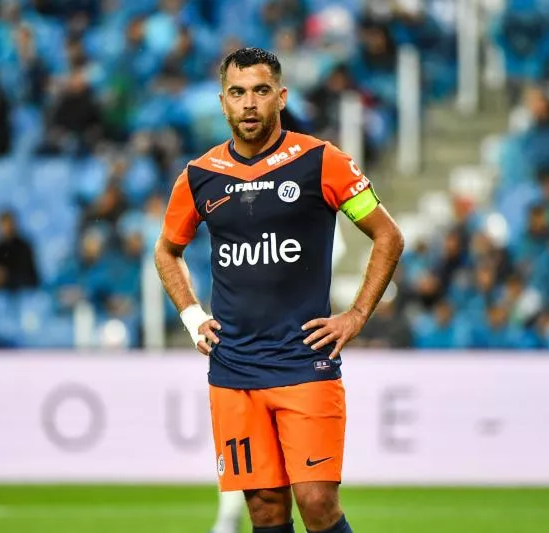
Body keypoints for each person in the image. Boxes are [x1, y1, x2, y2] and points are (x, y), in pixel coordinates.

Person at [154, 48, 404, 533]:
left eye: (261, 91)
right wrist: (190, 315)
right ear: (223, 102)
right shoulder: (199, 177)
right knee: (265, 508)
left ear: (281, 97)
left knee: (316, 501)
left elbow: (388, 235)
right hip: (233, 368)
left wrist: (355, 316)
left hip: (303, 362)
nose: (250, 104)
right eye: (238, 93)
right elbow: (167, 251)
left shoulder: (321, 161)